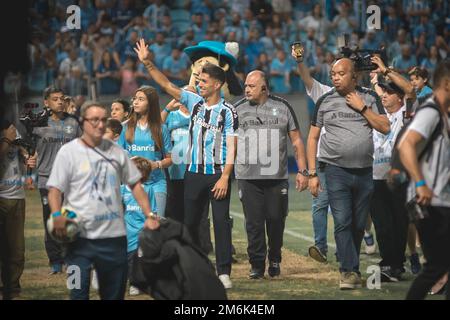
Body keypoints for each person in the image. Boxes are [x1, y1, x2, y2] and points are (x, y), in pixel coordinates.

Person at [134, 38, 238, 289]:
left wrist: (225, 177)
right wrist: (148, 63)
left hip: (217, 174)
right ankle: (194, 269)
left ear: (217, 83)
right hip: (193, 174)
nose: (198, 84)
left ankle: (224, 272)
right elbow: (166, 84)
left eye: (203, 81)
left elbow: (232, 148)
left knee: (221, 224)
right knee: (189, 225)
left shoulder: (228, 112)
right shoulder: (194, 103)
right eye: (198, 80)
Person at [46, 103, 160, 300]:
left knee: (114, 295)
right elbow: (55, 190)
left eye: (103, 120)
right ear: (83, 123)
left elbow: (136, 185)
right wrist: (56, 215)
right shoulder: (68, 152)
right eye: (94, 120)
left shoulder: (118, 152)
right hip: (78, 238)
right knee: (78, 292)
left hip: (114, 238)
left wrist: (149, 214)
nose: (100, 125)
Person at [307, 57, 390, 290]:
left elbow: (384, 127)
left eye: (340, 73)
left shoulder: (370, 98)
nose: (335, 77)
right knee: (342, 220)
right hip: (335, 170)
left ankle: (349, 265)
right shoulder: (325, 100)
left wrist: (362, 108)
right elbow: (312, 137)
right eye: (333, 73)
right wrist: (312, 173)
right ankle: (348, 271)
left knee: (358, 223)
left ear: (354, 76)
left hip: (364, 171)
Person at [234, 70, 309, 279]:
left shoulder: (283, 107)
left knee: (276, 219)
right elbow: (228, 141)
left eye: (251, 86)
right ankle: (257, 265)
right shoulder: (237, 109)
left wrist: (303, 171)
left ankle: (274, 258)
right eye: (246, 85)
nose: (246, 89)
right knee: (254, 223)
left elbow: (296, 140)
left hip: (277, 177)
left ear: (264, 88)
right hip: (247, 177)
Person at [399, 59, 450, 300]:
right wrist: (420, 183)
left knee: (439, 265)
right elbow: (406, 144)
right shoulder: (430, 111)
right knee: (435, 267)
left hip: (441, 201)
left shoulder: (443, 113)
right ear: (447, 84)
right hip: (430, 202)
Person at [369, 55, 417, 282]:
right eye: (383, 93)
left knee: (399, 223)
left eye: (389, 93)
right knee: (382, 225)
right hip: (376, 177)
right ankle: (389, 262)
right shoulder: (379, 114)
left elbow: (409, 89)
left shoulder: (405, 115)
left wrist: (385, 70)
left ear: (399, 98)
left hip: (399, 178)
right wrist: (375, 82)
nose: (384, 96)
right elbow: (380, 93)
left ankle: (395, 265)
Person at [32, 86, 82, 275]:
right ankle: (55, 260)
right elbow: (26, 146)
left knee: (70, 220)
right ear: (46, 102)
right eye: (55, 99)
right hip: (47, 179)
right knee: (51, 221)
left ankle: (70, 258)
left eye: (62, 98)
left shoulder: (74, 123)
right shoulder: (37, 123)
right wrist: (27, 157)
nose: (60, 102)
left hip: (71, 181)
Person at [118, 86, 172, 218]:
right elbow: (118, 156)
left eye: (141, 99)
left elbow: (171, 159)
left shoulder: (161, 128)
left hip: (156, 183)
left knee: (157, 223)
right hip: (132, 184)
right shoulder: (125, 127)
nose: (135, 102)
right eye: (135, 99)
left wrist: (156, 165)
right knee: (134, 224)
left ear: (151, 103)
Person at [0, 120, 36, 300]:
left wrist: (26, 157)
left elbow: (23, 150)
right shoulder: (7, 135)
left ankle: (12, 289)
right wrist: (6, 141)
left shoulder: (11, 128)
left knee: (16, 250)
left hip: (16, 197)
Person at [121, 156, 157, 296]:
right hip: (127, 233)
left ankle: (141, 283)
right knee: (129, 259)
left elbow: (153, 211)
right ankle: (131, 283)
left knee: (142, 259)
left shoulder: (148, 190)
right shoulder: (123, 189)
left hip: (143, 233)